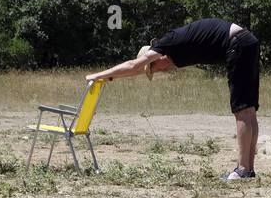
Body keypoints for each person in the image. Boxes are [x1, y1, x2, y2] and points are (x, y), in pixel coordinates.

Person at [87, 18, 261, 181]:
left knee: (242, 109)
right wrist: (111, 78)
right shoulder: (173, 52)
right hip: (247, 42)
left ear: (156, 57)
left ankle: (242, 170)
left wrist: (99, 75)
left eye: (154, 69)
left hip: (237, 44)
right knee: (249, 110)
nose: (160, 71)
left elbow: (133, 65)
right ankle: (248, 169)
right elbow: (135, 70)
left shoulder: (166, 43)